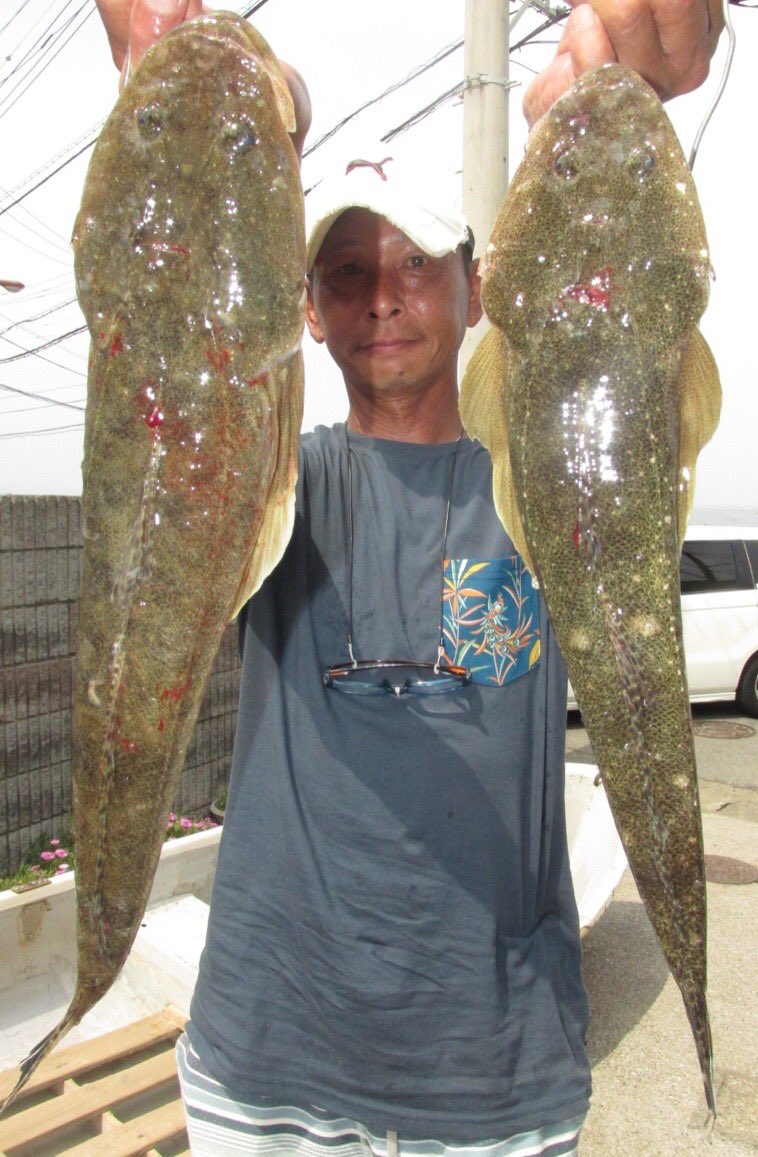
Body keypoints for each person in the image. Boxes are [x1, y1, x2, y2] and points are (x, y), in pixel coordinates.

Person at [95, 3, 724, 1153]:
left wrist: (681, 28)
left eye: (417, 264)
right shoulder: (268, 477)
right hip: (261, 1068)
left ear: (487, 290)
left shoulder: (557, 483)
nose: (381, 296)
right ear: (300, 307)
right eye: (342, 272)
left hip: (496, 1085)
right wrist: (213, 90)